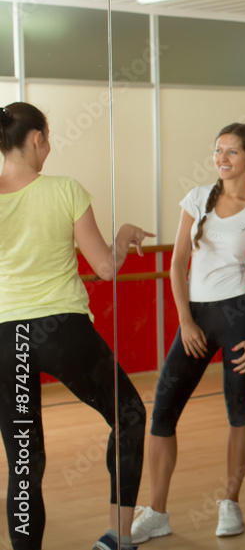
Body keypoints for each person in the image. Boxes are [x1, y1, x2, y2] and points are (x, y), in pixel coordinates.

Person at [0, 102, 153, 550]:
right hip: (62, 330)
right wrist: (124, 234)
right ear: (36, 140)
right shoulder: (65, 188)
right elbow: (105, 267)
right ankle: (118, 537)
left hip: (8, 338)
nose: (48, 146)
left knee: (24, 462)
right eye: (47, 138)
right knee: (128, 416)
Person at [130, 123, 245, 542]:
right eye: (218, 151)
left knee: (238, 409)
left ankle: (230, 502)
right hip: (195, 317)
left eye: (232, 152)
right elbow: (178, 263)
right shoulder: (197, 199)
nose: (223, 158)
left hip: (239, 316)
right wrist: (185, 320)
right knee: (162, 412)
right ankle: (157, 511)